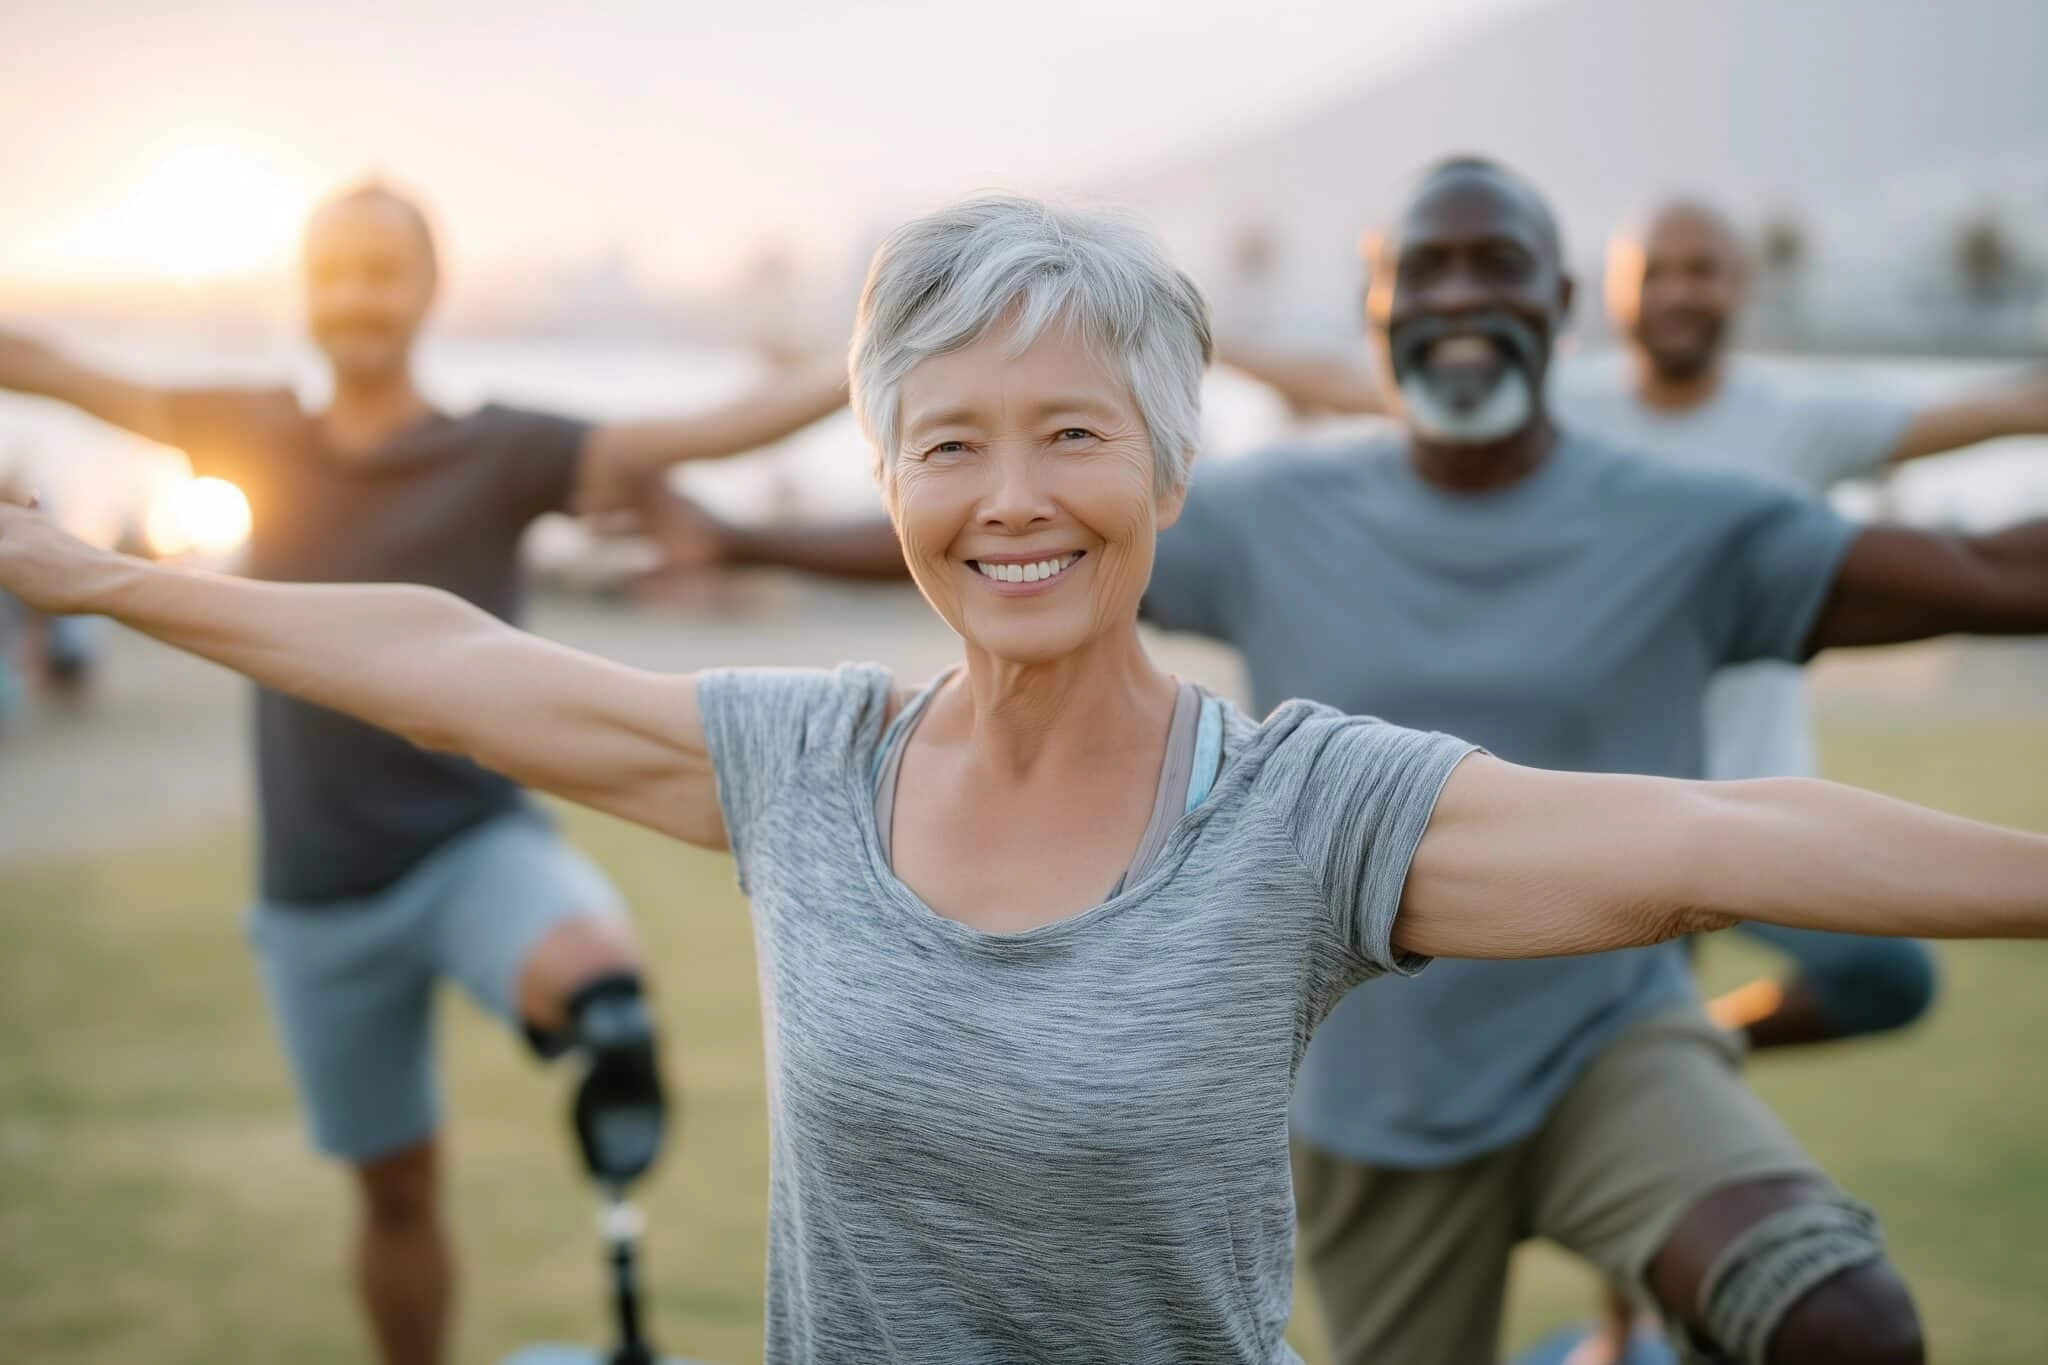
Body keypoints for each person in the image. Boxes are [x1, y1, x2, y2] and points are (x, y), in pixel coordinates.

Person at [639, 169, 2048, 1364]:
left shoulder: (1693, 516)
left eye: (1496, 266)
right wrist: (744, 538)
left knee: (1841, 1318)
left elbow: (1977, 579)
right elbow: (1003, 515)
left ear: (1561, 305)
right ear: (1374, 315)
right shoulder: (1269, 510)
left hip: (1605, 1042)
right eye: (1417, 271)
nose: (1454, 297)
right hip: (1360, 1096)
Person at [0, 180, 850, 1365]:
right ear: (306, 291)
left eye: (381, 270)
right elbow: (52, 364)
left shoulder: (496, 449)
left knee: (605, 999)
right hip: (314, 887)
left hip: (470, 848)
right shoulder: (250, 427)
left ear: (429, 288)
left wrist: (885, 359)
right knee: (395, 1193)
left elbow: (710, 428)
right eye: (335, 271)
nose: (358, 296)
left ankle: (621, 1282)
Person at [1211, 201, 2048, 1059]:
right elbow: (1347, 381)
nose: (1680, 291)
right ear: (1608, 295)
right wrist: (1180, 327)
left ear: (1740, 287)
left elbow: (1999, 411)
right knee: (1557, 1038)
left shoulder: (1804, 417)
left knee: (1886, 977)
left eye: (1703, 269)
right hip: (1602, 811)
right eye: (1657, 272)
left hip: (1759, 804)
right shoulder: (1555, 404)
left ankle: (1706, 1044)